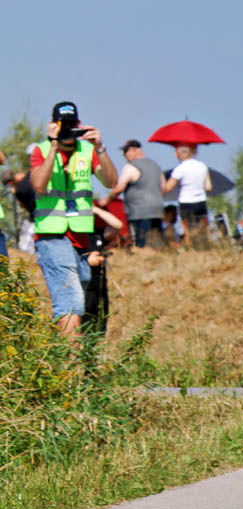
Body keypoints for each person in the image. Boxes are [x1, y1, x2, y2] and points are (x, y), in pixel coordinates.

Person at [26, 102, 121, 337]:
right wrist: (53, 146)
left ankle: (60, 349)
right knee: (71, 299)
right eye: (63, 125)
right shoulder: (41, 150)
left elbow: (111, 182)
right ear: (53, 125)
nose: (68, 129)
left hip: (80, 237)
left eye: (72, 124)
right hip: (52, 235)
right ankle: (72, 358)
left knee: (81, 294)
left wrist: (100, 148)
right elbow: (39, 185)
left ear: (79, 124)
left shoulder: (87, 151)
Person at [112, 140, 167, 247]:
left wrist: (107, 200)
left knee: (142, 243)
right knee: (157, 242)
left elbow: (119, 188)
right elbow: (164, 188)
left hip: (139, 212)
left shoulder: (131, 166)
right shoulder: (155, 165)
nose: (124, 155)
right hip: (157, 209)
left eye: (126, 151)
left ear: (134, 150)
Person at [162, 141, 213, 246]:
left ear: (183, 153)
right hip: (201, 202)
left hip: (186, 202)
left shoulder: (180, 168)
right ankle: (205, 247)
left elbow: (168, 188)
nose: (175, 155)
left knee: (188, 229)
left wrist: (161, 179)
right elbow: (208, 187)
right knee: (203, 227)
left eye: (177, 152)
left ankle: (191, 248)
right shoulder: (202, 166)